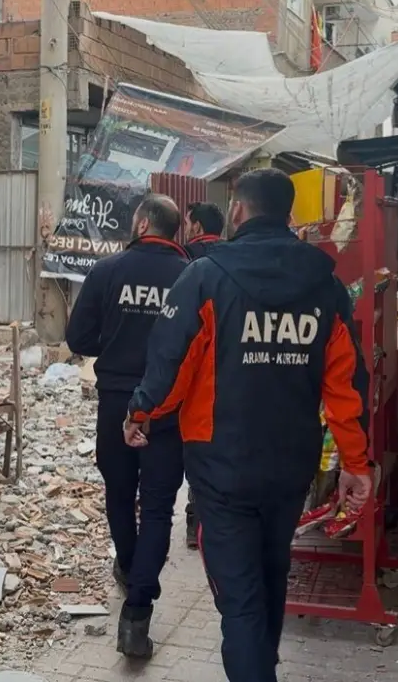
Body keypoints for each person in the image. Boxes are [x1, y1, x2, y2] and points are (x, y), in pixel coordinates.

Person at [122, 168, 373, 682]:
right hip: (290, 464)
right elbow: (346, 386)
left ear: (237, 209)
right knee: (271, 573)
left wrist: (142, 412)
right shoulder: (324, 288)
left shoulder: (206, 278)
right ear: (289, 215)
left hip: (222, 469)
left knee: (239, 600)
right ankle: (264, 663)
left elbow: (170, 367)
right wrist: (355, 462)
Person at [65, 194, 190, 660]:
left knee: (119, 492)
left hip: (116, 400)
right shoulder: (190, 276)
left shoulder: (106, 271)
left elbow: (77, 338)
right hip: (168, 408)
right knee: (158, 507)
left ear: (140, 222)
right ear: (174, 230)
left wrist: (115, 344)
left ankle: (130, 565)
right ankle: (137, 612)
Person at [179, 201, 226, 549]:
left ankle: (195, 516)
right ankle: (212, 513)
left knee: (193, 437)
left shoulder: (185, 258)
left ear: (196, 227)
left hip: (190, 365)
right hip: (228, 365)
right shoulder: (234, 258)